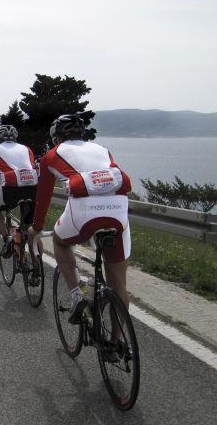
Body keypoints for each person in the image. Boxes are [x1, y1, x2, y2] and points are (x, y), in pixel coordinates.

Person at [28, 113, 132, 324]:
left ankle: (76, 294)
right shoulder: (103, 150)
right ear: (82, 134)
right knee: (119, 285)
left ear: (56, 137)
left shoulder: (51, 156)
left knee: (60, 241)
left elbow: (43, 198)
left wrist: (36, 227)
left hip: (83, 215)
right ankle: (116, 345)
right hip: (118, 214)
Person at [0, 125, 38, 258]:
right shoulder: (27, 149)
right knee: (30, 228)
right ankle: (37, 265)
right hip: (33, 184)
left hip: (11, 184)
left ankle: (7, 237)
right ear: (15, 137)